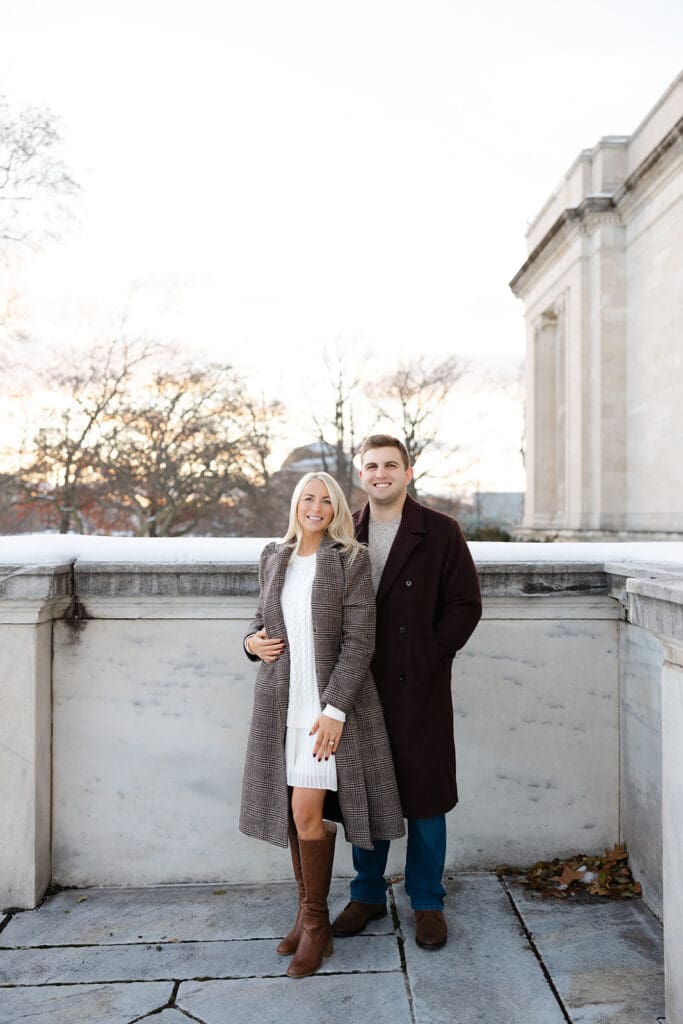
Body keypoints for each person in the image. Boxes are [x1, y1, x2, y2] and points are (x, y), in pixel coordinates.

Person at [240, 471, 405, 979]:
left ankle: (316, 927)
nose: (315, 507)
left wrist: (334, 711)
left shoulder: (350, 560)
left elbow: (361, 641)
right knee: (294, 815)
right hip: (279, 706)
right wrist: (251, 644)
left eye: (325, 501)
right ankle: (309, 918)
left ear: (335, 509)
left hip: (327, 710)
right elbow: (258, 621)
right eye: (307, 499)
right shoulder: (274, 557)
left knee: (307, 811)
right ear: (295, 505)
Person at [331, 434, 482, 950]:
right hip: (357, 687)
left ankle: (427, 902)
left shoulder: (440, 531)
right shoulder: (342, 529)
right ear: (361, 475)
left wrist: (430, 657)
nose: (380, 474)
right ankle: (367, 895)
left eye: (390, 465)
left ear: (408, 472)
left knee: (425, 799)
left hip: (419, 689)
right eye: (371, 466)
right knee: (364, 795)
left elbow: (465, 605)